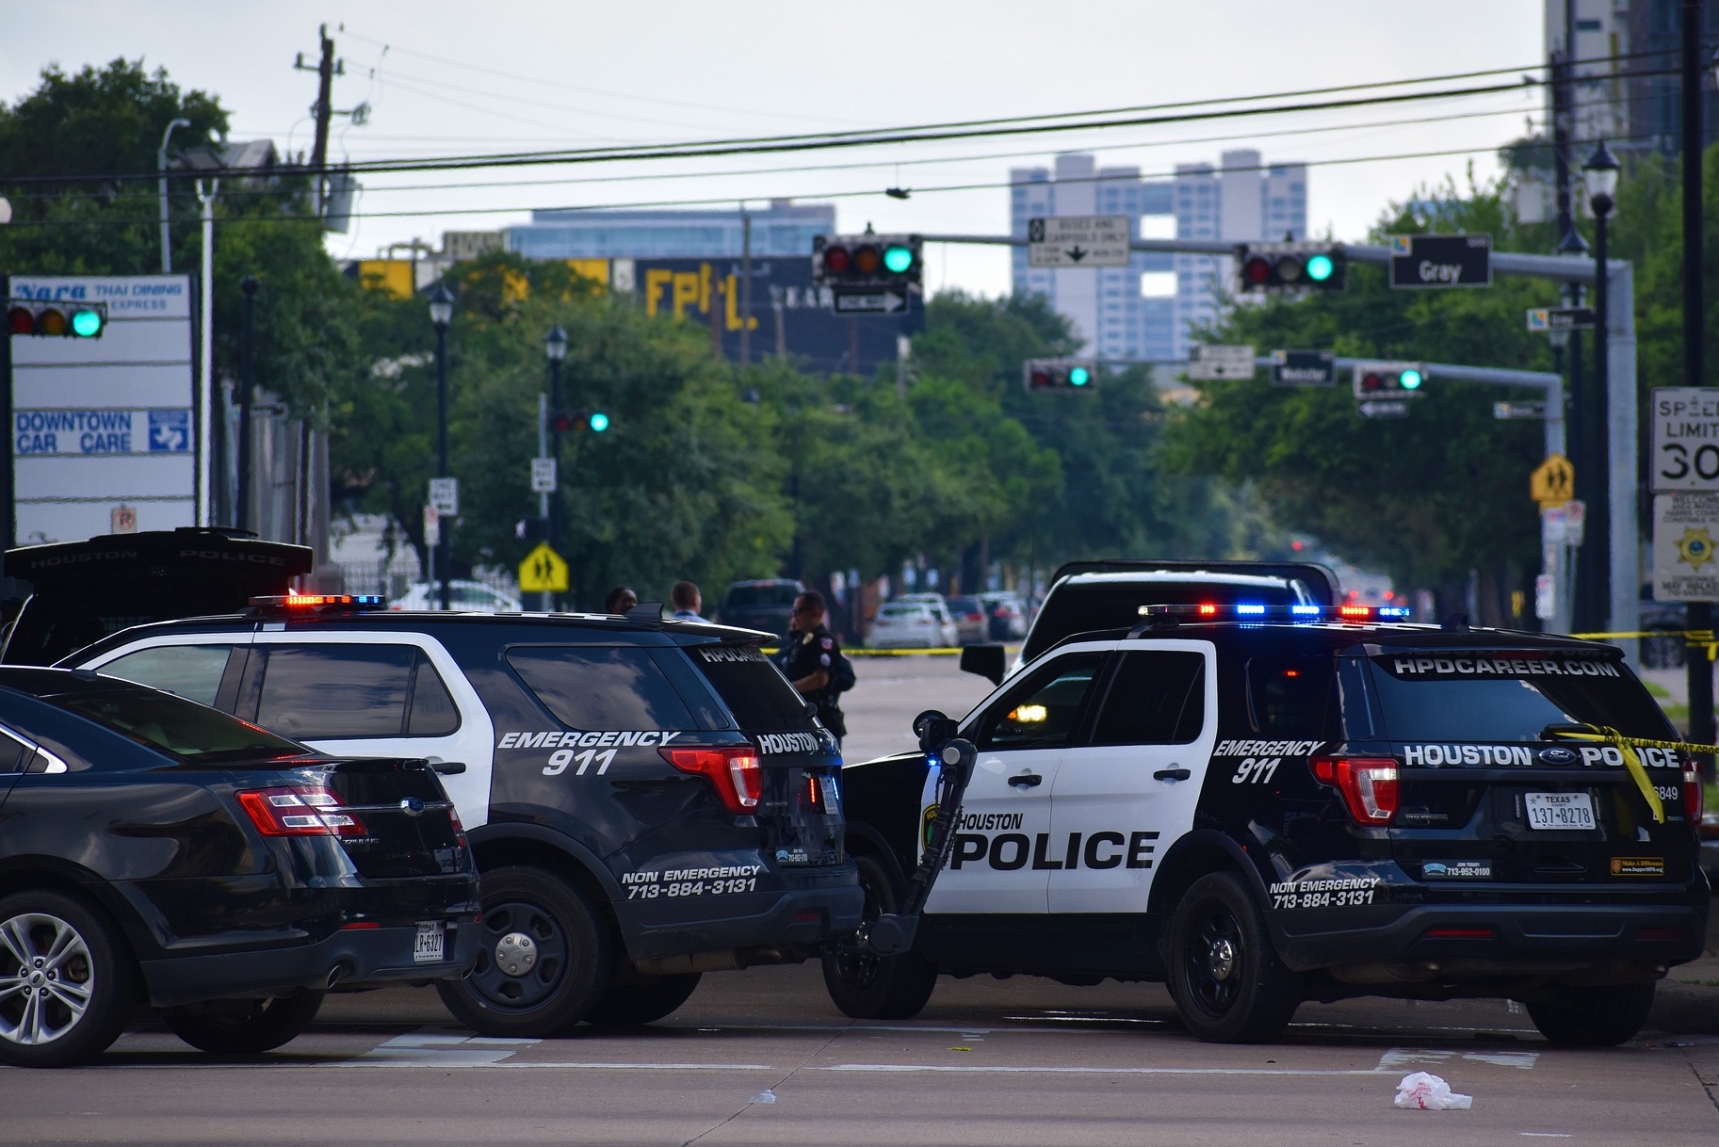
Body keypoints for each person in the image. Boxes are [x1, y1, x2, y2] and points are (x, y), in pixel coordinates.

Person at [778, 591, 855, 746]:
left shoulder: (823, 641)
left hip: (820, 720)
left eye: (799, 611)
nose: (795, 616)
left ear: (815, 612)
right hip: (801, 719)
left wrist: (787, 690)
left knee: (823, 768)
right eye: (793, 612)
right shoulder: (801, 641)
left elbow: (819, 679)